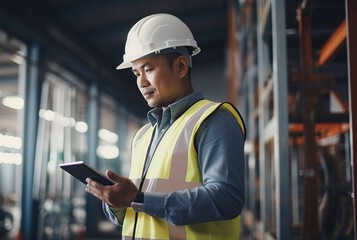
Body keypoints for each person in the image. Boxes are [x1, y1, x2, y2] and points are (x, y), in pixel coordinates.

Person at [85, 13, 246, 240]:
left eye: (148, 69)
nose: (141, 82)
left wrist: (137, 199)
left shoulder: (213, 120)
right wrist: (115, 200)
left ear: (181, 67)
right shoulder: (143, 136)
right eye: (136, 73)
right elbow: (133, 215)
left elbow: (226, 199)